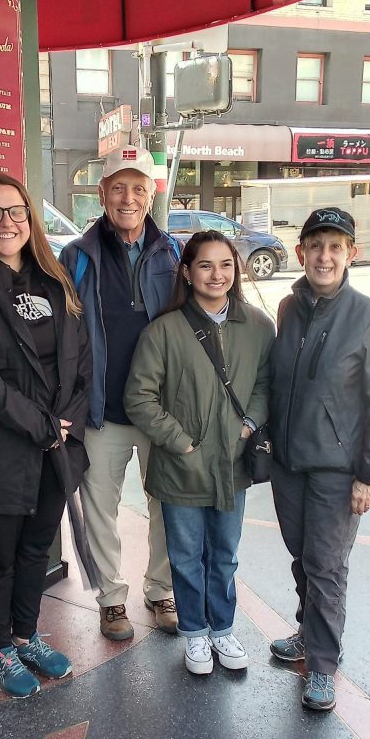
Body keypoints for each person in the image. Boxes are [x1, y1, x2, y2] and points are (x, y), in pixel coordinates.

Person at [0, 173, 91, 699]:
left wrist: (65, 420)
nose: (7, 222)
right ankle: (0, 647)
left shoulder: (53, 278)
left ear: (30, 217)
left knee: (35, 549)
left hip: (55, 444)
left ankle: (27, 634)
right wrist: (42, 427)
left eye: (16, 211)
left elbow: (80, 357)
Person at [124, 231, 275, 675]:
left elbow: (266, 384)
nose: (217, 274)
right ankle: (194, 635)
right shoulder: (164, 331)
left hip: (232, 463)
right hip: (181, 467)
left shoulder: (259, 327)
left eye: (226, 264)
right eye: (205, 265)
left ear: (237, 269)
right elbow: (140, 398)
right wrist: (181, 441)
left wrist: (250, 422)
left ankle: (223, 629)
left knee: (225, 553)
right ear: (187, 272)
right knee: (186, 556)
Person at [269, 207, 370, 711]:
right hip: (289, 461)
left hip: (338, 470)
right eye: (315, 246)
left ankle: (322, 662)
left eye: (335, 247)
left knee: (327, 566)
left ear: (351, 254)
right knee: (303, 556)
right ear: (300, 253)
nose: (324, 256)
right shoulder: (288, 308)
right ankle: (306, 629)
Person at [60, 146, 179, 641]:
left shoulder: (174, 252)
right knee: (99, 510)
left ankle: (160, 590)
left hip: (159, 410)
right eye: (117, 187)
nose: (128, 197)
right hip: (102, 411)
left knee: (168, 504)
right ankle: (111, 599)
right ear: (102, 194)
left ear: (152, 192)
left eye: (138, 186)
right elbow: (62, 334)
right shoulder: (76, 256)